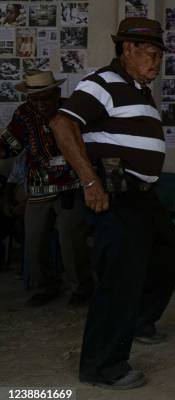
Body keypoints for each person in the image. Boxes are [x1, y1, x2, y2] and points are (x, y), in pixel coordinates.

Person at [50, 17, 175, 390]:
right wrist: (90, 182)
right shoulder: (102, 83)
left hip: (142, 195)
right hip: (115, 193)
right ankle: (102, 366)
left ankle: (140, 321)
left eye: (159, 56)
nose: (157, 63)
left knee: (169, 253)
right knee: (119, 278)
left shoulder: (138, 88)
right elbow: (62, 125)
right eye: (151, 55)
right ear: (127, 49)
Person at [0, 70, 93, 307]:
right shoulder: (23, 115)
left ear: (57, 94)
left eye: (45, 98)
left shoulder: (70, 112)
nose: (40, 104)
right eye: (34, 99)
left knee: (71, 242)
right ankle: (46, 286)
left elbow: (88, 145)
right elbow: (10, 144)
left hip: (69, 187)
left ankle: (81, 287)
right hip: (39, 188)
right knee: (34, 242)